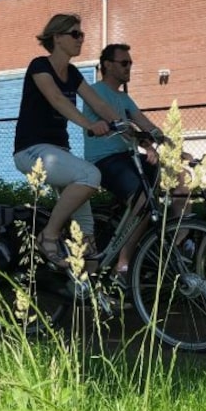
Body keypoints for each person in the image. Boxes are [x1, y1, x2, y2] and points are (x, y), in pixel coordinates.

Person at [12, 14, 121, 268]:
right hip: (31, 151)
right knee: (90, 175)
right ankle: (48, 236)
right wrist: (90, 125)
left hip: (59, 152)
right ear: (56, 37)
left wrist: (132, 131)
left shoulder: (72, 73)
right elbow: (57, 100)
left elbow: (99, 103)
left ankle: (83, 294)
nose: (81, 39)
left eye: (81, 34)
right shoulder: (39, 66)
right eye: (75, 34)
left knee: (86, 231)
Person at [81, 43, 190, 280]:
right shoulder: (95, 92)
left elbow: (146, 125)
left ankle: (178, 240)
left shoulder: (124, 97)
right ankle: (123, 267)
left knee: (177, 177)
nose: (129, 67)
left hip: (128, 157)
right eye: (124, 63)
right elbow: (124, 127)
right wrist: (147, 144)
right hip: (105, 160)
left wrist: (174, 148)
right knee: (143, 202)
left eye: (130, 63)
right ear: (107, 65)